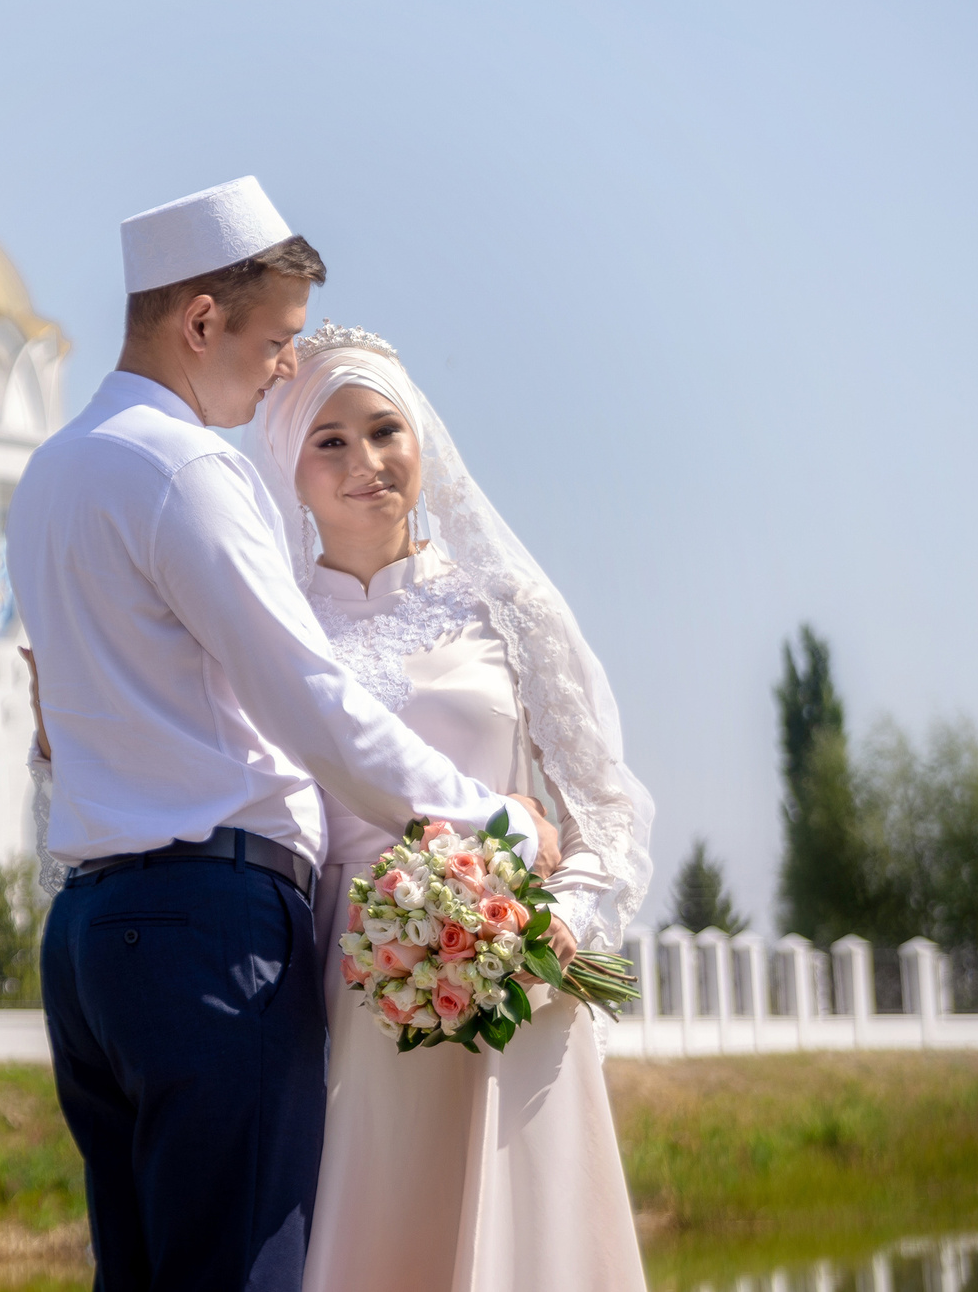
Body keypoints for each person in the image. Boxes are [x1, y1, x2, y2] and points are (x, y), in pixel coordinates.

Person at [5, 175, 559, 1292]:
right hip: (209, 932)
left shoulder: (51, 471)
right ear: (200, 319)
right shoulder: (187, 471)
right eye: (272, 341)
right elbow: (310, 703)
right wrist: (494, 820)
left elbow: (60, 721)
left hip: (89, 937)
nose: (280, 372)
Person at [248, 322, 653, 1292]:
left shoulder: (504, 605)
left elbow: (603, 800)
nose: (366, 461)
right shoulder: (268, 624)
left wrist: (556, 922)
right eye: (330, 440)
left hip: (513, 976)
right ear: (289, 467)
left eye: (385, 429)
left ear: (422, 439)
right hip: (344, 984)